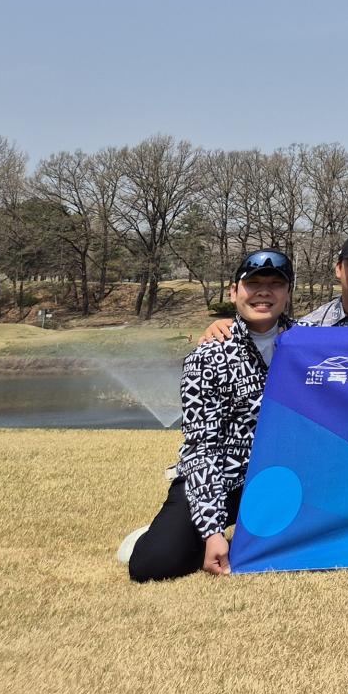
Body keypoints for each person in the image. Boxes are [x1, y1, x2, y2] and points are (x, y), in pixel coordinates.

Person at [121, 249, 292, 581]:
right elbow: (202, 448)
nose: (264, 292)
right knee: (153, 565)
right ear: (233, 292)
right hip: (224, 479)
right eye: (253, 284)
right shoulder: (207, 356)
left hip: (281, 479)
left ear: (287, 294)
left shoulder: (306, 345)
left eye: (275, 284)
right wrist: (212, 532)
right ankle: (158, 535)